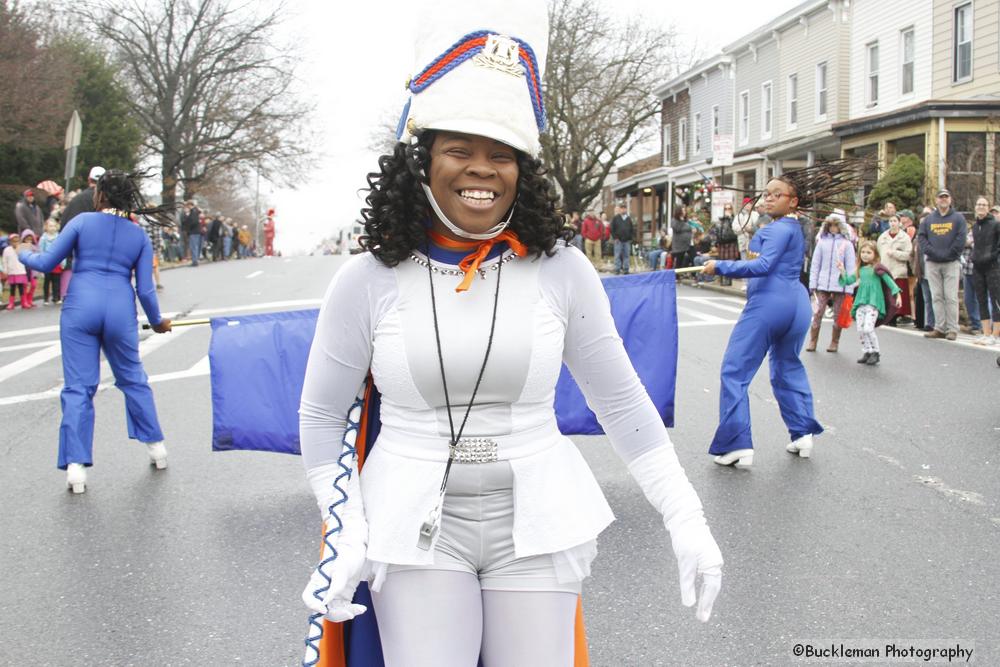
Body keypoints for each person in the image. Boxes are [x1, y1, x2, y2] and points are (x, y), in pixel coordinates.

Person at [297, 4, 723, 664]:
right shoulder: (367, 278)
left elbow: (621, 402)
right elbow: (321, 415)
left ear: (522, 169)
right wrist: (344, 521)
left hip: (538, 519)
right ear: (423, 160)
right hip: (412, 526)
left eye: (501, 154)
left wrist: (686, 516)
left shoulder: (562, 268)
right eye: (459, 149)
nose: (481, 169)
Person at [18, 170, 173, 494]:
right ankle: (156, 447)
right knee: (133, 378)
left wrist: (21, 251)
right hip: (120, 310)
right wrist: (157, 321)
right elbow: (145, 289)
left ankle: (76, 469)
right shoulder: (138, 236)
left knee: (78, 387)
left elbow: (47, 263)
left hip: (81, 307)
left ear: (100, 195)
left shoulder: (82, 222)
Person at [701, 171, 827, 468]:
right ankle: (802, 434)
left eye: (776, 194)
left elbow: (764, 265)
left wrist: (718, 265)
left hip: (770, 302)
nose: (768, 198)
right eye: (766, 193)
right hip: (797, 301)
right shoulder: (797, 228)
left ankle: (737, 445)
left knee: (735, 370)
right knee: (787, 366)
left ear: (793, 201)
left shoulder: (776, 229)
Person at [837, 241, 901, 365]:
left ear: (875, 254)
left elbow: (890, 282)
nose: (865, 255)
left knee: (868, 328)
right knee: (860, 329)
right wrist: (842, 270)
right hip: (861, 302)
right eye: (863, 252)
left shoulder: (877, 269)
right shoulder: (860, 269)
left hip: (873, 303)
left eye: (869, 252)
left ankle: (876, 352)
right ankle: (867, 351)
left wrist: (897, 295)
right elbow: (848, 281)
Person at [917, 189, 966, 340]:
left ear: (950, 200)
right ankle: (939, 327)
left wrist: (948, 254)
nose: (943, 199)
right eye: (941, 197)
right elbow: (922, 238)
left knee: (950, 296)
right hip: (932, 263)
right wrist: (933, 253)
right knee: (936, 296)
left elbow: (960, 239)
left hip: (951, 262)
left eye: (946, 197)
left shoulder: (958, 218)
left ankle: (952, 328)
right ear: (936, 200)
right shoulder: (929, 219)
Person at [806, 215, 856, 352]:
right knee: (818, 312)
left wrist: (849, 288)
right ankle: (813, 341)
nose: (834, 228)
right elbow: (815, 264)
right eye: (831, 225)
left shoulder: (847, 244)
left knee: (838, 314)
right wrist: (813, 284)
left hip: (840, 284)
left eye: (836, 225)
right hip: (822, 283)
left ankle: (835, 342)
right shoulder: (822, 242)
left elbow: (851, 267)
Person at [970, 197, 1000, 345]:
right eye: (979, 204)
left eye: (984, 204)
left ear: (988, 207)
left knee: (995, 300)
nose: (981, 207)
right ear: (975, 207)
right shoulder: (975, 226)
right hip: (978, 266)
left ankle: (995, 335)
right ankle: (986, 333)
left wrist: (992, 256)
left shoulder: (995, 224)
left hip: (992, 267)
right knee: (981, 299)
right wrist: (973, 257)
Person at [876, 215, 913, 325]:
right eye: (890, 221)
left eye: (895, 221)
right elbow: (878, 251)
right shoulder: (882, 237)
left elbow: (908, 254)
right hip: (886, 268)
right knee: (887, 293)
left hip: (898, 269)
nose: (892, 223)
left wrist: (895, 253)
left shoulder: (904, 237)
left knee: (898, 293)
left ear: (899, 222)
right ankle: (887, 315)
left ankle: (897, 315)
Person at [39, 219, 65, 304]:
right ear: (46, 227)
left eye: (54, 226)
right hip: (47, 262)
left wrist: (63, 262)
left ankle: (56, 297)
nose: (52, 228)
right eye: (50, 226)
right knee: (47, 281)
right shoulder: (43, 238)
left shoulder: (59, 237)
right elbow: (41, 251)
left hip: (57, 262)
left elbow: (62, 250)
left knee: (56, 282)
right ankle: (46, 299)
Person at [714, 204, 739, 285]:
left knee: (730, 262)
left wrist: (730, 218)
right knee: (722, 262)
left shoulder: (735, 218)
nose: (727, 210)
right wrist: (716, 241)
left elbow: (735, 229)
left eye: (729, 208)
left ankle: (729, 280)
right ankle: (722, 279)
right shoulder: (721, 220)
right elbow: (718, 230)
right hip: (722, 243)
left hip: (731, 242)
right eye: (726, 208)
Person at [2, 233, 29, 309]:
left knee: (21, 288)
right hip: (12, 272)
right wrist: (5, 270)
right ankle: (11, 303)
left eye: (17, 241)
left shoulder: (22, 249)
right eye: (13, 241)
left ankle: (24, 302)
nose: (15, 243)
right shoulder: (7, 250)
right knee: (12, 288)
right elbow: (4, 261)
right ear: (10, 242)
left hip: (20, 271)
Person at [610, 203, 633, 274]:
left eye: (624, 208)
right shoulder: (616, 218)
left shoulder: (628, 218)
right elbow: (612, 229)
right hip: (618, 240)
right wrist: (615, 238)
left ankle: (626, 269)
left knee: (626, 255)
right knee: (617, 255)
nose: (623, 210)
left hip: (627, 241)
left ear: (626, 209)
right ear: (620, 209)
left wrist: (630, 238)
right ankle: (617, 269)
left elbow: (632, 229)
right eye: (622, 208)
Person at [670, 206, 693, 272]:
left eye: (685, 211)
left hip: (688, 243)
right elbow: (677, 229)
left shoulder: (686, 220)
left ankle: (692, 274)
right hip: (679, 245)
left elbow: (689, 228)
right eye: (683, 210)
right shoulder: (674, 220)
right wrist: (681, 221)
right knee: (679, 261)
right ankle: (677, 276)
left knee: (691, 258)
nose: (684, 212)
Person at [181, 200, 202, 266]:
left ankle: (194, 261)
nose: (187, 207)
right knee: (194, 246)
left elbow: (193, 222)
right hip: (195, 231)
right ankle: (195, 260)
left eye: (188, 205)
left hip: (193, 231)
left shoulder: (193, 212)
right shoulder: (195, 211)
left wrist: (188, 227)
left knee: (193, 246)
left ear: (190, 205)